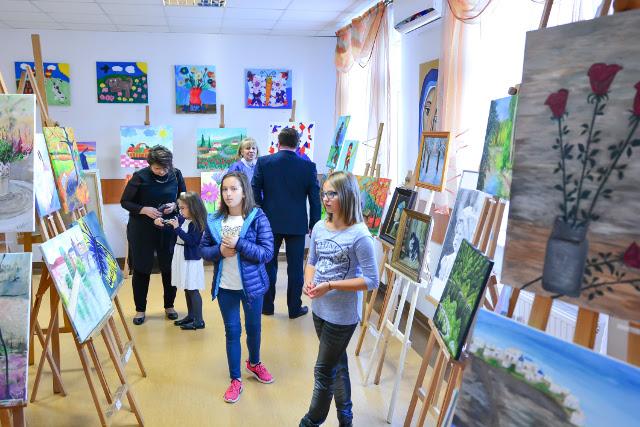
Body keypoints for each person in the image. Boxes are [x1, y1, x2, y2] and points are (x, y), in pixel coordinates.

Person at [300, 171, 379, 427]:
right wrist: (308, 280)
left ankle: (311, 421)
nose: (326, 199)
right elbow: (312, 260)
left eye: (332, 194)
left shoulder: (360, 235)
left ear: (347, 195)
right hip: (319, 309)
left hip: (342, 316)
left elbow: (372, 280)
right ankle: (346, 419)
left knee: (323, 370)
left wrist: (331, 285)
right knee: (338, 364)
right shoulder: (320, 227)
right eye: (324, 193)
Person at [200, 171, 275, 404]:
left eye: (234, 189)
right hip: (225, 288)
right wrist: (219, 251)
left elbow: (267, 252)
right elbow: (203, 250)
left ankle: (254, 363)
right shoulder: (215, 220)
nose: (228, 194)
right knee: (232, 332)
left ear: (244, 192)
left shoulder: (257, 216)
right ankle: (235, 379)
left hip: (252, 287)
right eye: (224, 189)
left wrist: (240, 244)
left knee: (254, 328)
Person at [252, 127, 321, 318]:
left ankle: (267, 307)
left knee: (268, 264)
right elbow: (315, 199)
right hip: (297, 224)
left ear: (278, 143)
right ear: (297, 144)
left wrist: (259, 214)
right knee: (296, 268)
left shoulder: (264, 162)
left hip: (268, 222)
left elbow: (254, 190)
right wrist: (314, 224)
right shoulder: (308, 166)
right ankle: (294, 308)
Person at [121, 145, 186, 325]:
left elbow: (183, 197)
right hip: (142, 229)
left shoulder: (176, 174)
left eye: (165, 168)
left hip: (167, 228)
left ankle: (169, 306)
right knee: (142, 268)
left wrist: (175, 205)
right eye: (157, 168)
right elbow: (125, 201)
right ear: (150, 164)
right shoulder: (140, 177)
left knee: (169, 268)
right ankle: (140, 310)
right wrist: (144, 209)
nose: (162, 172)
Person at [155, 191, 207, 330]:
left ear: (193, 208)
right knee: (186, 288)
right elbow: (172, 229)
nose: (180, 210)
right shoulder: (183, 219)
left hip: (191, 259)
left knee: (193, 289)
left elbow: (191, 241)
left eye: (183, 208)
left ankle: (199, 321)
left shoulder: (197, 223)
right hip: (181, 256)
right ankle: (191, 316)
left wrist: (177, 228)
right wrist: (161, 224)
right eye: (180, 207)